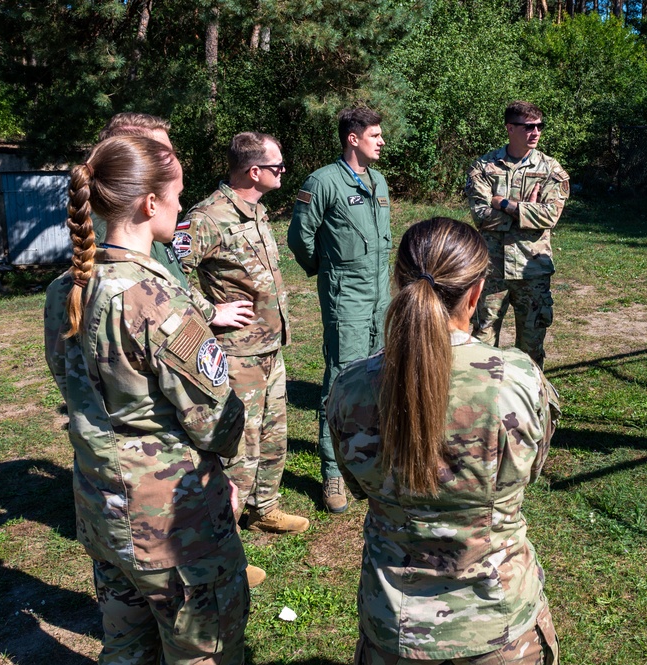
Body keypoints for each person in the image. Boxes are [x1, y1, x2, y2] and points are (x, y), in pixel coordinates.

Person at [43, 136, 250, 663]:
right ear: (149, 203)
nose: (182, 204)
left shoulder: (66, 287)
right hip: (173, 521)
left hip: (101, 504)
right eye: (176, 193)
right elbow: (214, 421)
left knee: (126, 648)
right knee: (205, 650)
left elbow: (69, 384)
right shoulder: (156, 300)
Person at [327, 218, 561, 665]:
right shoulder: (517, 381)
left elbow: (359, 484)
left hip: (394, 625)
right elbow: (532, 469)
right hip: (497, 625)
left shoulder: (351, 387)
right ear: (476, 293)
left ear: (398, 283)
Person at [175, 132, 308, 557]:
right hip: (236, 354)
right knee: (238, 447)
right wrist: (211, 312)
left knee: (272, 436)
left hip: (270, 348)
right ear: (254, 172)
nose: (283, 172)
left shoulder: (257, 211)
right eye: (278, 167)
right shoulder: (206, 217)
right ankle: (223, 545)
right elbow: (169, 273)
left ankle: (263, 507)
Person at [287, 107, 391, 514]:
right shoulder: (323, 182)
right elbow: (300, 236)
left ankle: (370, 456)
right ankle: (332, 471)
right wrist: (322, 268)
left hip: (380, 294)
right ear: (353, 138)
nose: (381, 141)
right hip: (345, 293)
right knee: (341, 377)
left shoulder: (378, 180)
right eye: (375, 135)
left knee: (379, 371)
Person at [96, 112, 255, 329]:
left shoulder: (145, 219)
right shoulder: (120, 223)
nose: (173, 161)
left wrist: (207, 311)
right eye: (161, 153)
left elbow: (174, 276)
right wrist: (211, 313)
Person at [466, 101, 569, 369]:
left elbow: (549, 217)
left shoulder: (550, 170)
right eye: (528, 127)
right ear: (510, 128)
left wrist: (503, 203)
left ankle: (532, 406)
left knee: (531, 349)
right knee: (481, 344)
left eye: (539, 126)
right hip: (491, 270)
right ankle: (484, 406)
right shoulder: (484, 167)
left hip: (531, 270)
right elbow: (480, 215)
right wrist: (527, 211)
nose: (535, 132)